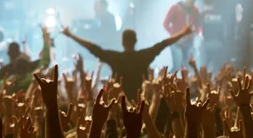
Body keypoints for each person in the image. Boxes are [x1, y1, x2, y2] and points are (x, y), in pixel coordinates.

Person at [61, 23, 194, 99]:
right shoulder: (144, 56)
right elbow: (164, 43)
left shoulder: (115, 58)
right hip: (141, 102)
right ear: (136, 41)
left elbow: (92, 47)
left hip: (120, 101)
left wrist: (71, 35)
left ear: (122, 42)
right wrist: (183, 33)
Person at [163, 0, 202, 71]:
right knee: (177, 67)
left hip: (189, 43)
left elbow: (198, 24)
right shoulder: (175, 8)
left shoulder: (195, 10)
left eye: (192, 2)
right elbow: (165, 23)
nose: (190, 4)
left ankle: (186, 83)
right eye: (189, 1)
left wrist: (199, 33)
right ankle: (166, 81)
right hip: (176, 42)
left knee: (188, 68)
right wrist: (174, 34)